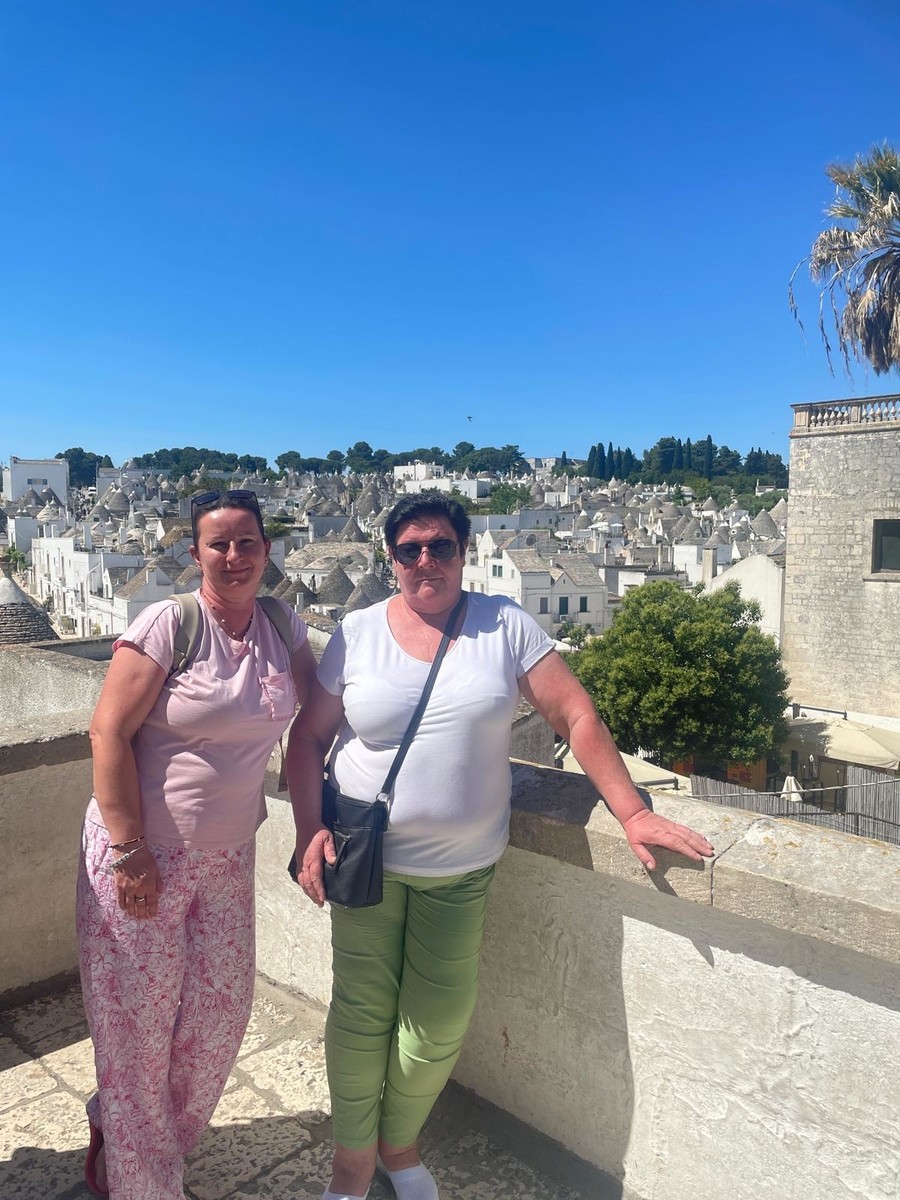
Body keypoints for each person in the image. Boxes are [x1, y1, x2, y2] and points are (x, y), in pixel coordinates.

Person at [287, 493, 714, 1200]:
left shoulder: (504, 624)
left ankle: (399, 1146)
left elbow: (573, 712)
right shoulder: (358, 632)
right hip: (364, 860)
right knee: (361, 1016)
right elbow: (307, 738)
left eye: (441, 546)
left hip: (460, 870)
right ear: (391, 559)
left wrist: (633, 810)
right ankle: (351, 1166)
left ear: (464, 553)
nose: (426, 560)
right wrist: (310, 830)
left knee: (437, 1023)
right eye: (410, 549)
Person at [76, 488, 316, 1200]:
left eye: (248, 542)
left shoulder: (283, 626)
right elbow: (107, 732)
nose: (235, 556)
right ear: (196, 553)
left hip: (228, 856)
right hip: (142, 853)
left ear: (267, 550)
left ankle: (136, 1140)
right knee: (138, 1033)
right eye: (219, 543)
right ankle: (143, 1182)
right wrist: (128, 850)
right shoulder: (169, 624)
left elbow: (319, 719)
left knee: (218, 1021)